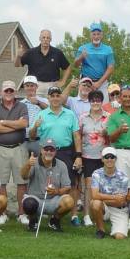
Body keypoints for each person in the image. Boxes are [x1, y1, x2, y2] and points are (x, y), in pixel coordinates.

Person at [29, 86, 82, 226]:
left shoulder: (69, 114)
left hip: (65, 151)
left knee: (71, 183)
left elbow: (76, 136)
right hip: (46, 151)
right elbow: (32, 136)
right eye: (52, 95)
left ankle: (73, 215)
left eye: (58, 95)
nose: (55, 98)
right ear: (48, 98)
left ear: (61, 97)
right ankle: (37, 212)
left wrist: (78, 155)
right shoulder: (42, 114)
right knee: (41, 181)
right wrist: (35, 127)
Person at [0, 80, 30, 225]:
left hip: (19, 148)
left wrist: (4, 122)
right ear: (1, 92)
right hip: (0, 148)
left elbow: (24, 124)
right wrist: (15, 125)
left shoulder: (22, 106)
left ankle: (22, 213)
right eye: (6, 91)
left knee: (21, 182)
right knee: (1, 183)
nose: (8, 93)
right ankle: (2, 213)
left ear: (15, 92)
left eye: (11, 91)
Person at [21, 139, 75, 232]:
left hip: (54, 199)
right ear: (41, 150)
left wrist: (56, 191)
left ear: (55, 152)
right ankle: (33, 221)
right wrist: (28, 164)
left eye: (52, 150)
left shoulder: (61, 165)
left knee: (69, 201)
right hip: (36, 198)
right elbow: (24, 176)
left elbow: (67, 187)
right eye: (46, 149)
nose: (49, 152)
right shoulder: (33, 162)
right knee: (28, 203)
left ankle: (54, 220)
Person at [79, 89, 109, 227]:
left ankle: (102, 213)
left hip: (104, 157)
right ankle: (86, 215)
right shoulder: (83, 117)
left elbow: (113, 136)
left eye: (98, 100)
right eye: (93, 100)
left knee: (103, 187)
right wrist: (78, 155)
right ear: (89, 102)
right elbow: (78, 136)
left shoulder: (108, 117)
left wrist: (106, 133)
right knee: (89, 186)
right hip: (88, 156)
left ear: (102, 102)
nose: (95, 103)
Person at [15, 29, 72, 96]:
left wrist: (63, 81)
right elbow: (18, 65)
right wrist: (18, 56)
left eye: (48, 38)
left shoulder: (57, 53)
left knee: (54, 106)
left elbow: (68, 67)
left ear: (50, 39)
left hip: (53, 85)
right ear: (40, 38)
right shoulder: (31, 52)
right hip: (36, 86)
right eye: (43, 37)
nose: (45, 39)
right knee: (35, 106)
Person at [90, 147, 130, 239]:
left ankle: (117, 228)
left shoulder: (123, 176)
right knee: (95, 203)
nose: (109, 159)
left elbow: (121, 201)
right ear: (102, 159)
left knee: (119, 237)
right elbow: (94, 195)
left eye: (112, 157)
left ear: (116, 159)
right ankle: (101, 230)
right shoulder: (96, 174)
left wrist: (103, 199)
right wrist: (114, 197)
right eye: (106, 157)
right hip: (104, 206)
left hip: (119, 209)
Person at [74, 22, 115, 96]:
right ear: (90, 35)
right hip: (85, 82)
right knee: (83, 105)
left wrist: (99, 83)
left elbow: (111, 68)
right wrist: (81, 57)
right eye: (94, 34)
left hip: (102, 83)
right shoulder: (82, 48)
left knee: (103, 106)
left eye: (98, 34)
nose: (96, 37)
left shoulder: (108, 49)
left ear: (101, 35)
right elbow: (76, 65)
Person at [19, 75, 48, 156]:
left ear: (36, 87)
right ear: (24, 87)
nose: (29, 88)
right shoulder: (20, 104)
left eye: (32, 85)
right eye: (27, 86)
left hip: (39, 140)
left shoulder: (44, 101)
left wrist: (38, 102)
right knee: (24, 166)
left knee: (40, 166)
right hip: (24, 140)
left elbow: (50, 112)